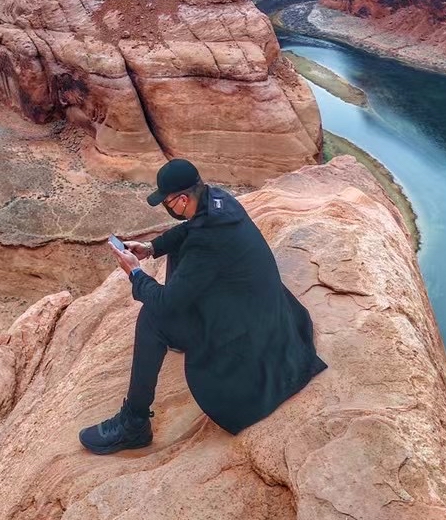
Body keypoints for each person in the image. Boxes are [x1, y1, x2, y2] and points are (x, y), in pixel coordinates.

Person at [79, 157, 326, 454]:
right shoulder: (219, 200)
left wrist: (135, 272)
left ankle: (134, 424)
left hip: (244, 336)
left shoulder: (207, 243)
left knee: (153, 317)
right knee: (177, 250)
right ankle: (177, 338)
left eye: (167, 202)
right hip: (259, 311)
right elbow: (189, 231)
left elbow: (165, 302)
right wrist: (152, 248)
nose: (166, 208)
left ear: (182, 200)